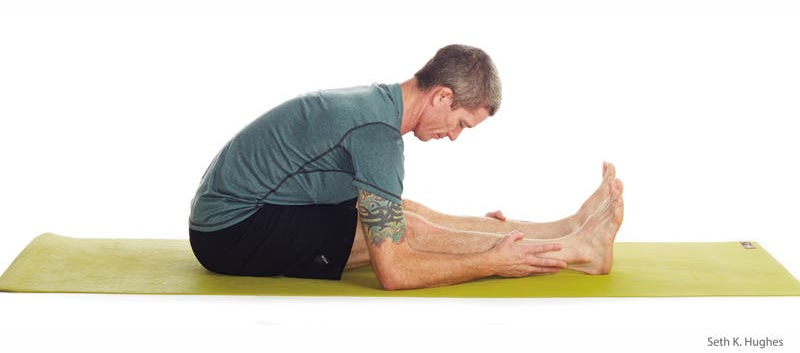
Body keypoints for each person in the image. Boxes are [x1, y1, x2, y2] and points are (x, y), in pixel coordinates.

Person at [188, 44, 624, 290]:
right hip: (230, 231)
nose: (454, 136)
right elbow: (395, 272)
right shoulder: (378, 134)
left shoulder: (379, 102)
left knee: (411, 213)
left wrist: (472, 232)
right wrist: (492, 261)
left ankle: (567, 227)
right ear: (441, 96)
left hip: (258, 205)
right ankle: (579, 252)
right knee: (411, 231)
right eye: (460, 123)